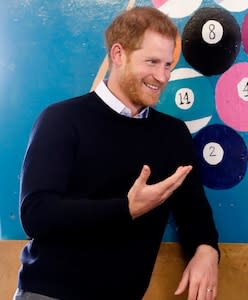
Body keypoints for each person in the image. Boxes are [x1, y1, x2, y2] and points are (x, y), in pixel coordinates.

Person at [15, 7, 219, 300]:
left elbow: (195, 212)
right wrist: (126, 209)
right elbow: (36, 215)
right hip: (50, 293)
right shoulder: (61, 119)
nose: (162, 77)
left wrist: (206, 250)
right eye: (152, 62)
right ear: (118, 54)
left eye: (167, 65)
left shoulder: (173, 134)